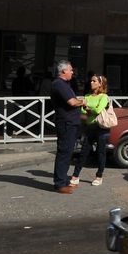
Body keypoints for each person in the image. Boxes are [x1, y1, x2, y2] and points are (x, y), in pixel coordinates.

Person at [50, 60, 85, 194]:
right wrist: (84, 101)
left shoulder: (64, 84)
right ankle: (59, 184)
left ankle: (64, 181)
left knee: (67, 152)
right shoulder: (59, 84)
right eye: (70, 70)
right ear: (64, 71)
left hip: (69, 122)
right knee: (64, 153)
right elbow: (72, 102)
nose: (72, 72)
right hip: (66, 123)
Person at [72, 74, 110, 187]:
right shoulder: (87, 96)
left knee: (100, 152)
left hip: (101, 128)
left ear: (100, 84)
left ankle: (99, 176)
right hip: (89, 127)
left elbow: (98, 109)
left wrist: (88, 108)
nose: (91, 82)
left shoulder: (104, 96)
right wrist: (88, 109)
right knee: (84, 152)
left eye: (94, 81)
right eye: (91, 81)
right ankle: (75, 175)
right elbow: (83, 112)